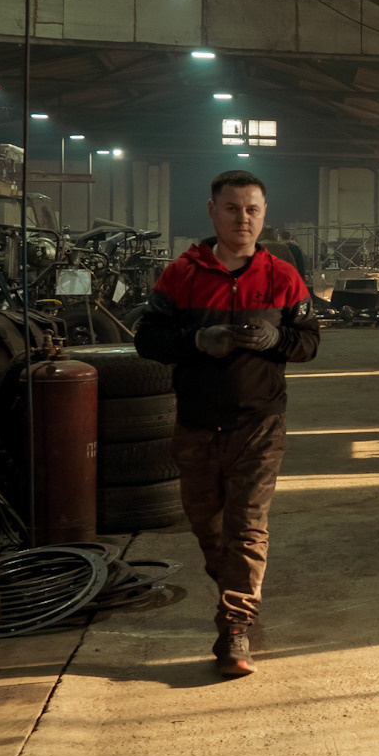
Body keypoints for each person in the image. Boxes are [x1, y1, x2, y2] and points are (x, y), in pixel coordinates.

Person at [136, 170, 320, 678]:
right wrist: (197, 341)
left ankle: (234, 629)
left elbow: (308, 342)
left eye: (253, 210)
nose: (244, 218)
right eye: (233, 208)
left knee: (246, 529)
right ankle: (237, 594)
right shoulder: (181, 275)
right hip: (196, 425)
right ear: (212, 210)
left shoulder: (283, 276)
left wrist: (273, 341)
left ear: (264, 215)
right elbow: (146, 339)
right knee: (209, 529)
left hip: (259, 424)